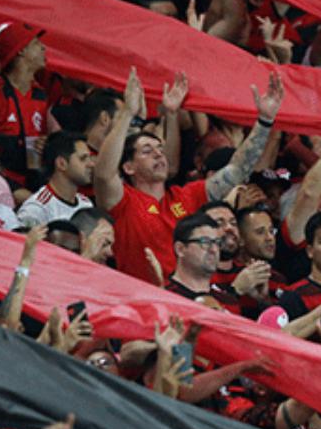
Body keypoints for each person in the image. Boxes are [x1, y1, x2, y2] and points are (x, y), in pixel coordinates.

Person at [94, 67, 282, 282]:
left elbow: (237, 170)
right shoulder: (123, 201)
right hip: (144, 303)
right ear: (128, 167)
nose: (158, 154)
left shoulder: (187, 196)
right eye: (147, 151)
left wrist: (265, 121)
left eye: (160, 149)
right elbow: (103, 173)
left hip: (190, 301)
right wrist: (128, 113)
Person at [0, 21, 48, 186]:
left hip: (33, 182)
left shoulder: (40, 95)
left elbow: (36, 155)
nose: (43, 48)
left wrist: (46, 145)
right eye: (36, 43)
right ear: (21, 51)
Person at [164, 213, 244, 315]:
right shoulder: (165, 297)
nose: (214, 249)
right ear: (180, 249)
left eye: (217, 242)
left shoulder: (229, 302)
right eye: (205, 242)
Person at [17, 130, 94, 227]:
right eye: (83, 158)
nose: (91, 164)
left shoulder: (86, 204)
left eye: (90, 158)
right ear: (61, 164)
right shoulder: (36, 210)